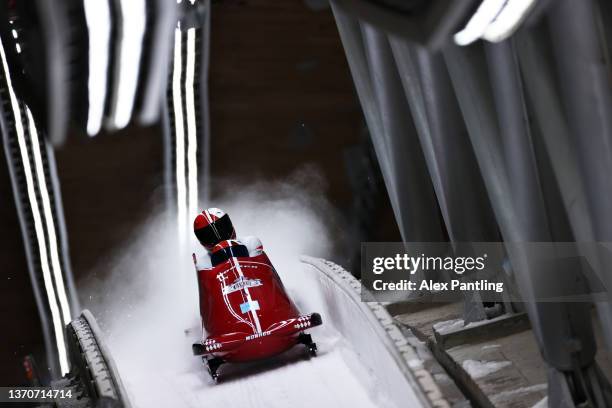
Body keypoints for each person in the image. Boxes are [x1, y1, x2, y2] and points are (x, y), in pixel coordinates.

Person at [192, 208, 263, 270]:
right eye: (209, 236)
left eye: (221, 229)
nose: (220, 239)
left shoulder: (251, 243)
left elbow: (261, 270)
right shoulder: (202, 264)